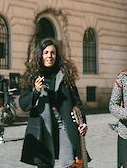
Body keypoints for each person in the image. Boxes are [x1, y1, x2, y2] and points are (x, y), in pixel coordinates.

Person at [19, 38, 89, 168]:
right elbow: (23, 104)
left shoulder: (65, 75)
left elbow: (77, 103)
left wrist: (83, 122)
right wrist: (35, 91)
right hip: (43, 129)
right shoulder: (32, 76)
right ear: (40, 55)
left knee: (69, 163)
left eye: (52, 53)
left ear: (57, 55)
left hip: (65, 126)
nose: (49, 56)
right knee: (45, 164)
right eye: (46, 53)